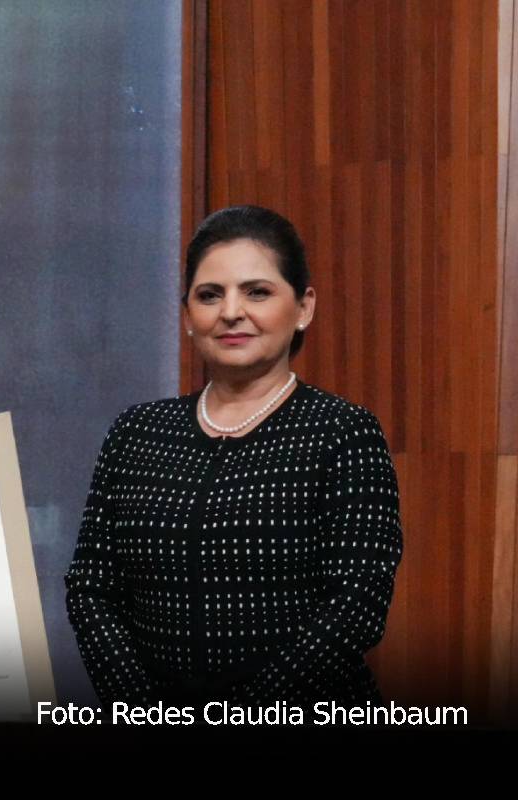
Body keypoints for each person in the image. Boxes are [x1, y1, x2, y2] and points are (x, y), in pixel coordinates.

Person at [65, 204, 402, 707]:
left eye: (257, 291)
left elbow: (356, 603)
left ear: (304, 306)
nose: (230, 312)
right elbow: (91, 588)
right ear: (187, 316)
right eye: (209, 295)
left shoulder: (343, 433)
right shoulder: (136, 432)